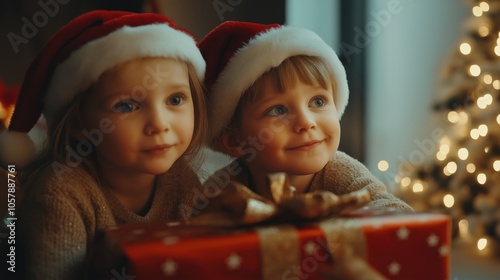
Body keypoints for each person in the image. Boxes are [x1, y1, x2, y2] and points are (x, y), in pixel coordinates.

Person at [0, 10, 207, 279]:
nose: (159, 123)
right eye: (127, 105)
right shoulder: (59, 195)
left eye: (175, 99)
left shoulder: (183, 181)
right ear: (79, 126)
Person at [199, 21, 412, 213]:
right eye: (278, 110)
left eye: (318, 102)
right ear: (235, 140)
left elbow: (399, 220)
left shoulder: (342, 174)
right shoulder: (223, 188)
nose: (306, 122)